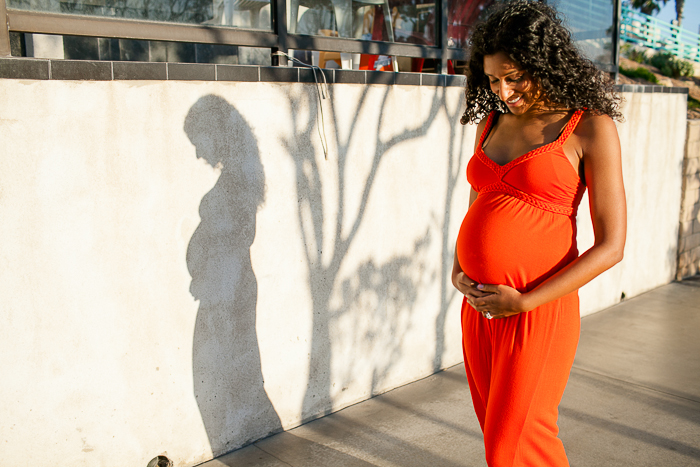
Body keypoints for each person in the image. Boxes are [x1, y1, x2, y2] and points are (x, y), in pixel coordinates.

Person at [452, 2, 627, 466]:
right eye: (492, 80)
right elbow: (479, 200)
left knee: (517, 444)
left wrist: (526, 301)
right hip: (480, 307)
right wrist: (458, 267)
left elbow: (612, 246)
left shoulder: (588, 126)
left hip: (537, 309)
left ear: (543, 64)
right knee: (497, 437)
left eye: (513, 77)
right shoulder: (491, 122)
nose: (503, 91)